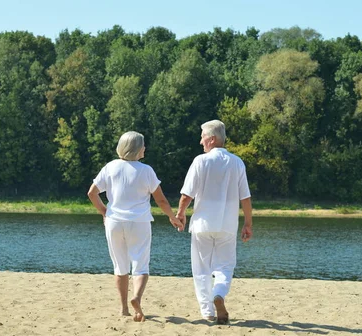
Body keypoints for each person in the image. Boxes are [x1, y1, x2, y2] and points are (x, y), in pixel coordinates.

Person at [88, 131, 183, 322]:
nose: (145, 148)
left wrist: (104, 211)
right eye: (143, 145)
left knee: (120, 266)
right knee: (140, 265)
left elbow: (92, 193)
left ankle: (124, 308)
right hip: (139, 222)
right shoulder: (146, 170)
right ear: (137, 149)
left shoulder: (110, 167)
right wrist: (172, 217)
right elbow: (161, 200)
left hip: (114, 222)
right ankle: (137, 298)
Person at [176, 120, 253, 324]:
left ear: (211, 139)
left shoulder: (201, 161)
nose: (200, 141)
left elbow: (186, 194)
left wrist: (181, 213)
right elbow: (245, 197)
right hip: (227, 225)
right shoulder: (237, 162)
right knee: (225, 266)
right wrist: (248, 223)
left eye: (202, 137)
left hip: (202, 224)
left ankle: (207, 311)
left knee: (201, 269)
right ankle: (219, 293)